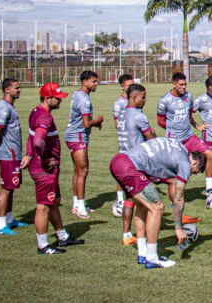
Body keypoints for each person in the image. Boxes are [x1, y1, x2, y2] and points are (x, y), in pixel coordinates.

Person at [109, 136, 205, 268]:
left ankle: (142, 254)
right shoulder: (186, 164)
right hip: (130, 167)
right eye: (194, 172)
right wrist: (178, 228)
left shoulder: (178, 146)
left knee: (142, 206)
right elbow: (178, 197)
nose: (190, 173)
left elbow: (160, 168)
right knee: (157, 207)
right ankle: (152, 258)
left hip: (118, 161)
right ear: (195, 163)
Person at [26, 82, 85, 254]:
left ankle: (62, 236)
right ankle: (43, 245)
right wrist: (45, 159)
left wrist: (29, 155)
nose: (60, 101)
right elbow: (38, 141)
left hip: (43, 167)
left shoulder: (36, 111)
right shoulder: (45, 117)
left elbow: (31, 138)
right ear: (47, 98)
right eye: (57, 98)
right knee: (43, 206)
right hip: (44, 170)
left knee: (54, 202)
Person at [116, 83, 157, 245]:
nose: (145, 100)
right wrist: (152, 133)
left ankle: (126, 235)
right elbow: (151, 139)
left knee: (130, 198)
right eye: (142, 97)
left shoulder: (121, 113)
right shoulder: (139, 116)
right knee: (148, 202)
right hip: (136, 162)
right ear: (133, 98)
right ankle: (145, 234)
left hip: (122, 159)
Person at [0, 78, 30, 235]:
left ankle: (9, 219)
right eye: (16, 88)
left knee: (11, 187)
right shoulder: (4, 108)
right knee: (6, 188)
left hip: (13, 153)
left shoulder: (9, 106)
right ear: (7, 90)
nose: (19, 90)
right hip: (8, 155)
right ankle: (1, 226)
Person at [64, 70, 104, 219]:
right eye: (93, 81)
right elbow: (86, 123)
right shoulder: (84, 99)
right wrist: (98, 120)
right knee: (83, 171)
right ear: (84, 81)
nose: (96, 84)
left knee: (77, 171)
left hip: (73, 135)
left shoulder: (78, 94)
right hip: (78, 136)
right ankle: (80, 208)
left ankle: (76, 204)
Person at [111, 74, 135, 212]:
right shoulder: (118, 103)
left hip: (136, 141)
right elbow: (117, 124)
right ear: (122, 86)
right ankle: (120, 200)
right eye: (128, 85)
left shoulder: (135, 98)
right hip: (126, 142)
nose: (131, 87)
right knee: (123, 172)